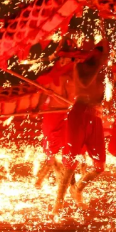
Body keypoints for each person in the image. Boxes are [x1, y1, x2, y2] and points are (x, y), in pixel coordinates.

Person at [52, 37, 110, 216]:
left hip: (96, 118)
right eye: (101, 51)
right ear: (95, 52)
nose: (105, 56)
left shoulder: (104, 72)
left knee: (100, 165)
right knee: (71, 162)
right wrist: (100, 65)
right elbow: (84, 84)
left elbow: (104, 97)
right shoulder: (81, 66)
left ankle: (77, 189)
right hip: (79, 114)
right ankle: (58, 203)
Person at [34, 54, 75, 188]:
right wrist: (38, 108)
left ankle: (65, 179)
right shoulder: (51, 78)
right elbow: (43, 94)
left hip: (65, 115)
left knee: (65, 147)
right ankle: (41, 178)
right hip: (51, 114)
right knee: (49, 148)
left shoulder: (71, 79)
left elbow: (73, 98)